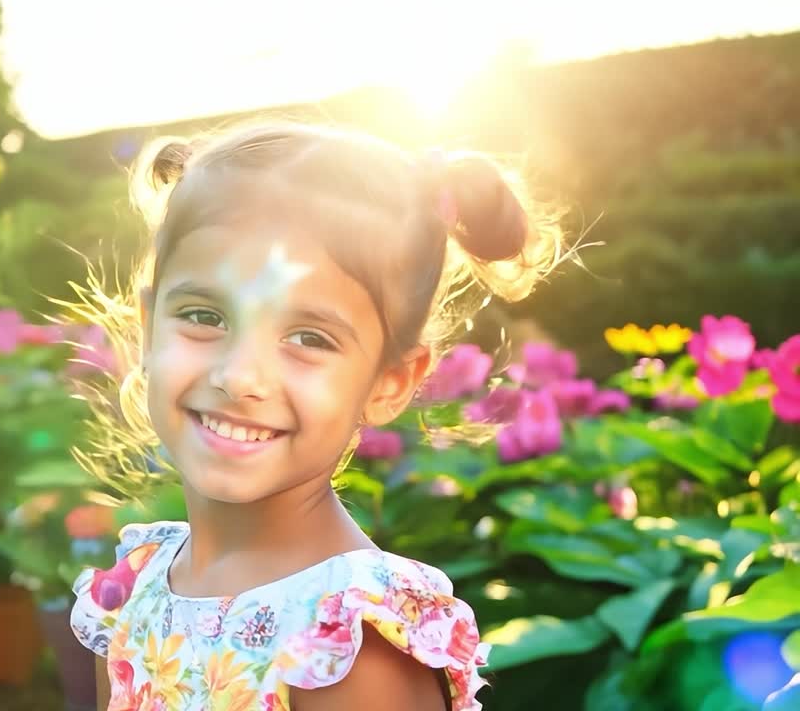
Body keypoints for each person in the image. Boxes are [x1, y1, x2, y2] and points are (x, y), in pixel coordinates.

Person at [64, 121, 566, 711]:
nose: (239, 376)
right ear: (148, 328)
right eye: (204, 316)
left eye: (308, 337)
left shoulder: (348, 648)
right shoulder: (132, 595)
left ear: (389, 381)